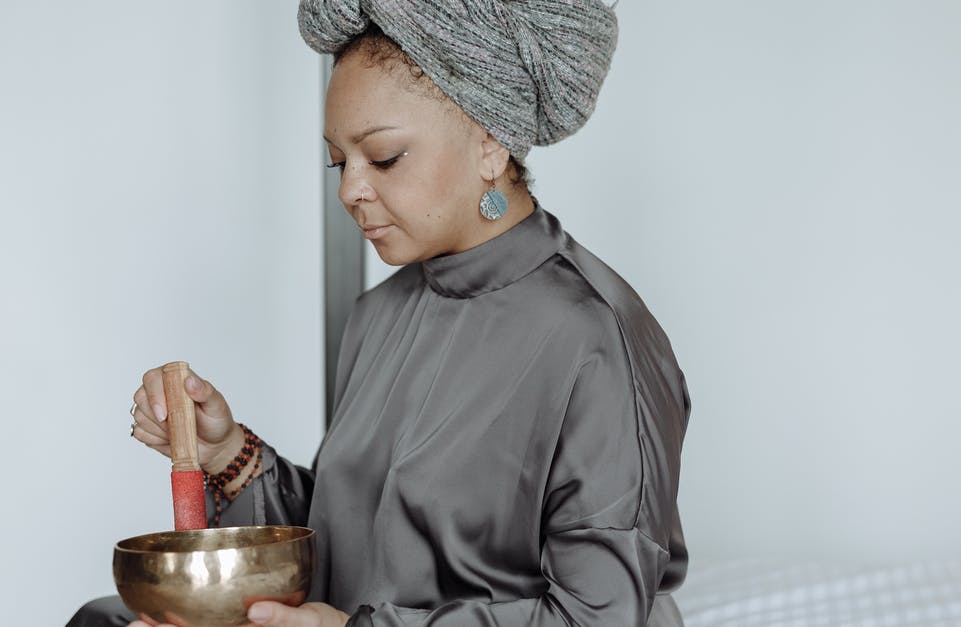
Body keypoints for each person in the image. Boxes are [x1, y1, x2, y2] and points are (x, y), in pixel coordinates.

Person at [68, 1, 690, 625]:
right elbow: (356, 544)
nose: (348, 191)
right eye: (338, 162)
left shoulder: (595, 338)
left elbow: (600, 616)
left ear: (490, 144)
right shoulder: (379, 314)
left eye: (384, 157)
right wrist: (228, 453)